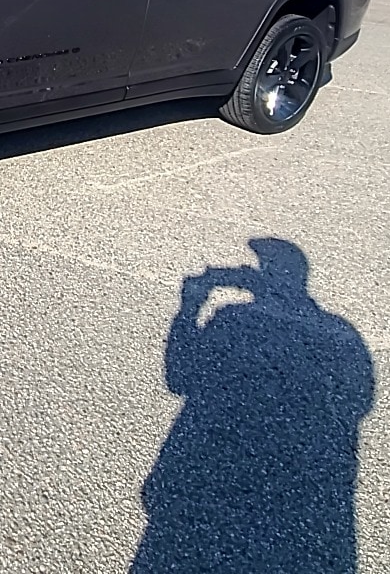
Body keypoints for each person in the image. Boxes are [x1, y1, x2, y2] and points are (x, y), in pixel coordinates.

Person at [133, 239, 374, 573]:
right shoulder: (341, 335)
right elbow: (356, 403)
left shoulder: (235, 319)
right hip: (296, 494)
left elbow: (180, 377)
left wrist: (190, 305)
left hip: (209, 480)